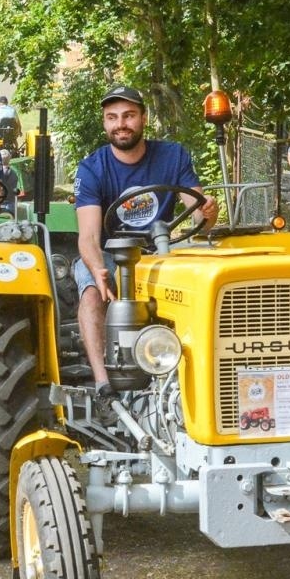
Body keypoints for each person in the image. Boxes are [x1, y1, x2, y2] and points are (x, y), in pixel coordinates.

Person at [73, 86, 218, 387]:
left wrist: (208, 213)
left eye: (128, 115)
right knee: (91, 292)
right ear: (105, 123)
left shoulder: (173, 155)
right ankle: (104, 383)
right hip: (112, 254)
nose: (121, 124)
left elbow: (199, 219)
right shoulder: (92, 168)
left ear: (143, 118)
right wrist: (98, 270)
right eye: (112, 117)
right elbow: (88, 237)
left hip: (162, 250)